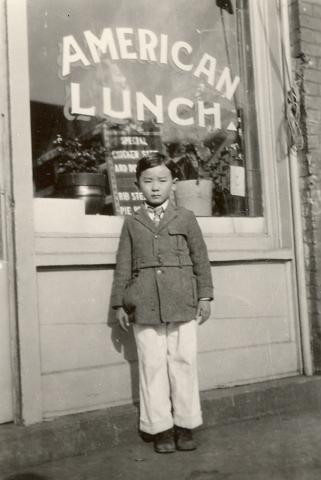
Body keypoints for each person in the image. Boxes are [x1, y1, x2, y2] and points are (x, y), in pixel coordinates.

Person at [110, 152, 213, 454]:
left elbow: (201, 258)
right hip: (144, 302)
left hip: (183, 299)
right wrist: (119, 303)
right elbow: (123, 264)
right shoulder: (132, 222)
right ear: (138, 185)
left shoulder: (186, 218)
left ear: (174, 183)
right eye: (148, 181)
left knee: (184, 361)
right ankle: (160, 428)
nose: (155, 187)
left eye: (162, 180)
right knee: (152, 364)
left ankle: (185, 425)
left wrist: (205, 295)